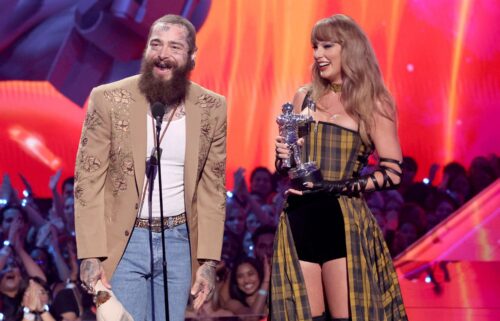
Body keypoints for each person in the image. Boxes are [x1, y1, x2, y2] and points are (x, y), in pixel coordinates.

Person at [74, 14, 227, 321]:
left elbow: (213, 189)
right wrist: (89, 253)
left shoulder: (213, 107)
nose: (163, 54)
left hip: (179, 241)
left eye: (174, 46)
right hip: (125, 241)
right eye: (156, 44)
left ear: (192, 57)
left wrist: (208, 262)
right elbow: (87, 180)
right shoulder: (108, 99)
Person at [271, 14, 407, 321]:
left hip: (342, 222)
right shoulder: (304, 96)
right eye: (315, 46)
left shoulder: (374, 102)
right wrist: (282, 157)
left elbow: (393, 172)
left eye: (327, 46)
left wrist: (336, 186)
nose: (318, 54)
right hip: (298, 219)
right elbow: (287, 166)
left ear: (350, 48)